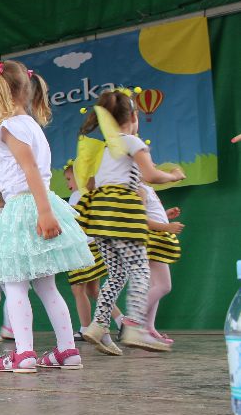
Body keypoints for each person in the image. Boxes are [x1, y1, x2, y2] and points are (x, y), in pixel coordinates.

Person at [0, 61, 92, 373]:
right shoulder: (31, 125)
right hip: (35, 203)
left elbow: (29, 171)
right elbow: (18, 176)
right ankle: (68, 351)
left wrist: (45, 212)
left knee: (14, 285)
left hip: (27, 209)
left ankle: (23, 354)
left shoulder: (9, 128)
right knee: (47, 287)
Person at [74, 88, 185, 353]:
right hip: (121, 212)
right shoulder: (132, 142)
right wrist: (174, 175)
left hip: (100, 216)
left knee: (116, 274)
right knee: (140, 270)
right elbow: (151, 175)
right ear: (134, 117)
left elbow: (91, 184)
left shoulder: (104, 149)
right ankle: (134, 326)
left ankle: (98, 326)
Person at [62, 161, 123, 354]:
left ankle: (85, 327)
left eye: (69, 179)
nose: (68, 183)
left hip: (82, 248)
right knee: (93, 290)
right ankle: (122, 322)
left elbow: (74, 223)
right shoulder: (90, 194)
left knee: (77, 289)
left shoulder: (77, 196)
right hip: (94, 246)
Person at [141, 182, 184, 345]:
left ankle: (148, 328)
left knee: (156, 286)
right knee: (164, 286)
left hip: (156, 239)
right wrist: (166, 226)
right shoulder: (140, 189)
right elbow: (141, 219)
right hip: (153, 240)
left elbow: (150, 214)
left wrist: (166, 215)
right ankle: (132, 319)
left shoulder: (147, 189)